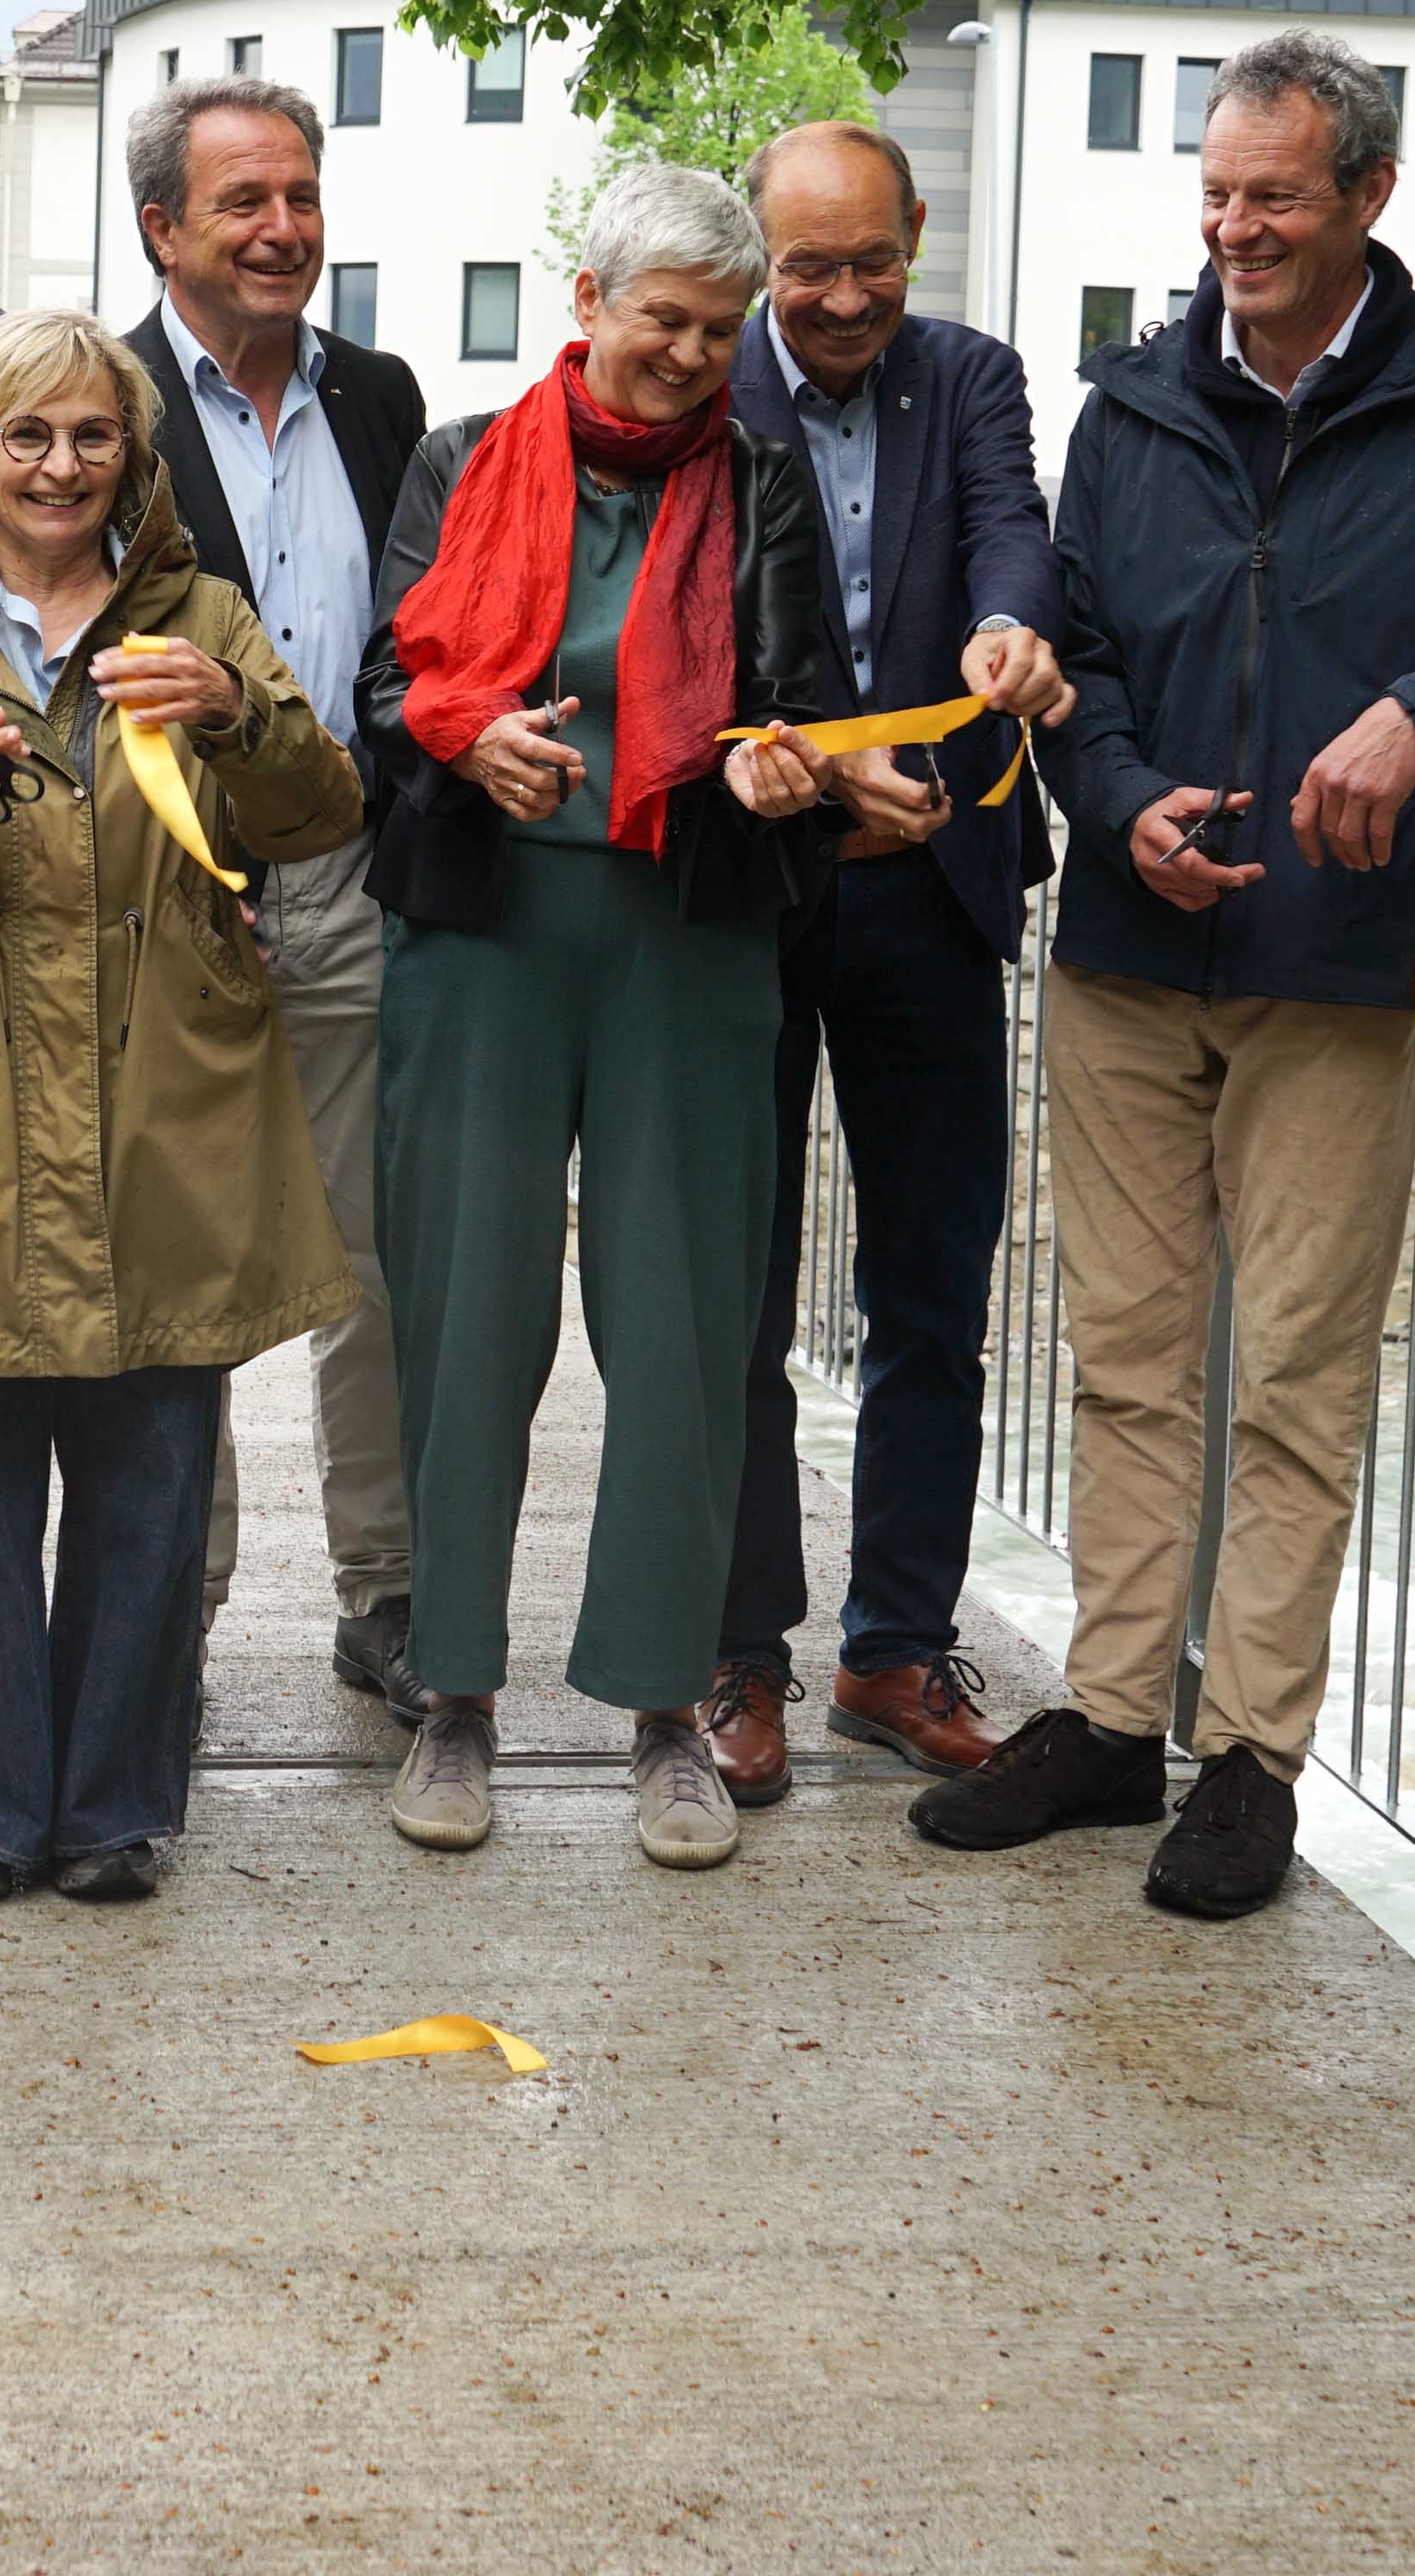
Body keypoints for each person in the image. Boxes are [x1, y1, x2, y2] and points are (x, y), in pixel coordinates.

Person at [936, 28, 1415, 1919]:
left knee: (1294, 1379)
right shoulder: (1131, 408)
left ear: (1367, 192)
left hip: (1347, 971)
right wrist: (1112, 805)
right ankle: (1112, 1720)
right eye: (1216, 193)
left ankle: (1250, 1756)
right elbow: (1075, 655)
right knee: (1119, 1363)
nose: (1235, 227)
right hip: (1131, 949)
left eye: (1273, 194)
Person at [0, 313, 359, 1902]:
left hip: (171, 1089)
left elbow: (321, 811)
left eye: (92, 437)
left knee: (154, 1463)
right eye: (25, 436)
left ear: (133, 456)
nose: (58, 466)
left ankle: (115, 1809)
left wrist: (241, 719)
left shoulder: (205, 617)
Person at [361, 161, 838, 1872]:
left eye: (722, 332)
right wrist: (464, 735)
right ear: (587, 300)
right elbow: (383, 683)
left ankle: (665, 1713)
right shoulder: (457, 461)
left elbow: (805, 709)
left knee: (688, 1333)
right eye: (664, 321)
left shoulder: (764, 484)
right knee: (466, 1315)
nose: (693, 356)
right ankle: (456, 1698)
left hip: (687, 937)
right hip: (485, 931)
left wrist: (792, 768)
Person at [700, 120, 1066, 1808]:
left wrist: (1007, 631)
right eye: (807, 266)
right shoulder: (708, 389)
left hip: (936, 881)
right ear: (756, 254)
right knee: (734, 1297)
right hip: (753, 885)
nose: (843, 297)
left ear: (918, 234)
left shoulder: (973, 378)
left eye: (873, 261)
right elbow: (689, 639)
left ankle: (894, 1646)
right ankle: (740, 1652)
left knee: (933, 1290)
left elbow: (1011, 536)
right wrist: (819, 771)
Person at [119, 75, 433, 1720]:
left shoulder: (379, 396)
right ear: (161, 227)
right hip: (178, 899)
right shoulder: (99, 405)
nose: (284, 229)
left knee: (368, 1262)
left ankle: (386, 1595)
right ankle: (175, 1613)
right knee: (184, 1273)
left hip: (354, 885)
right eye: (244, 201)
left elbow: (411, 653)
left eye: (301, 196)